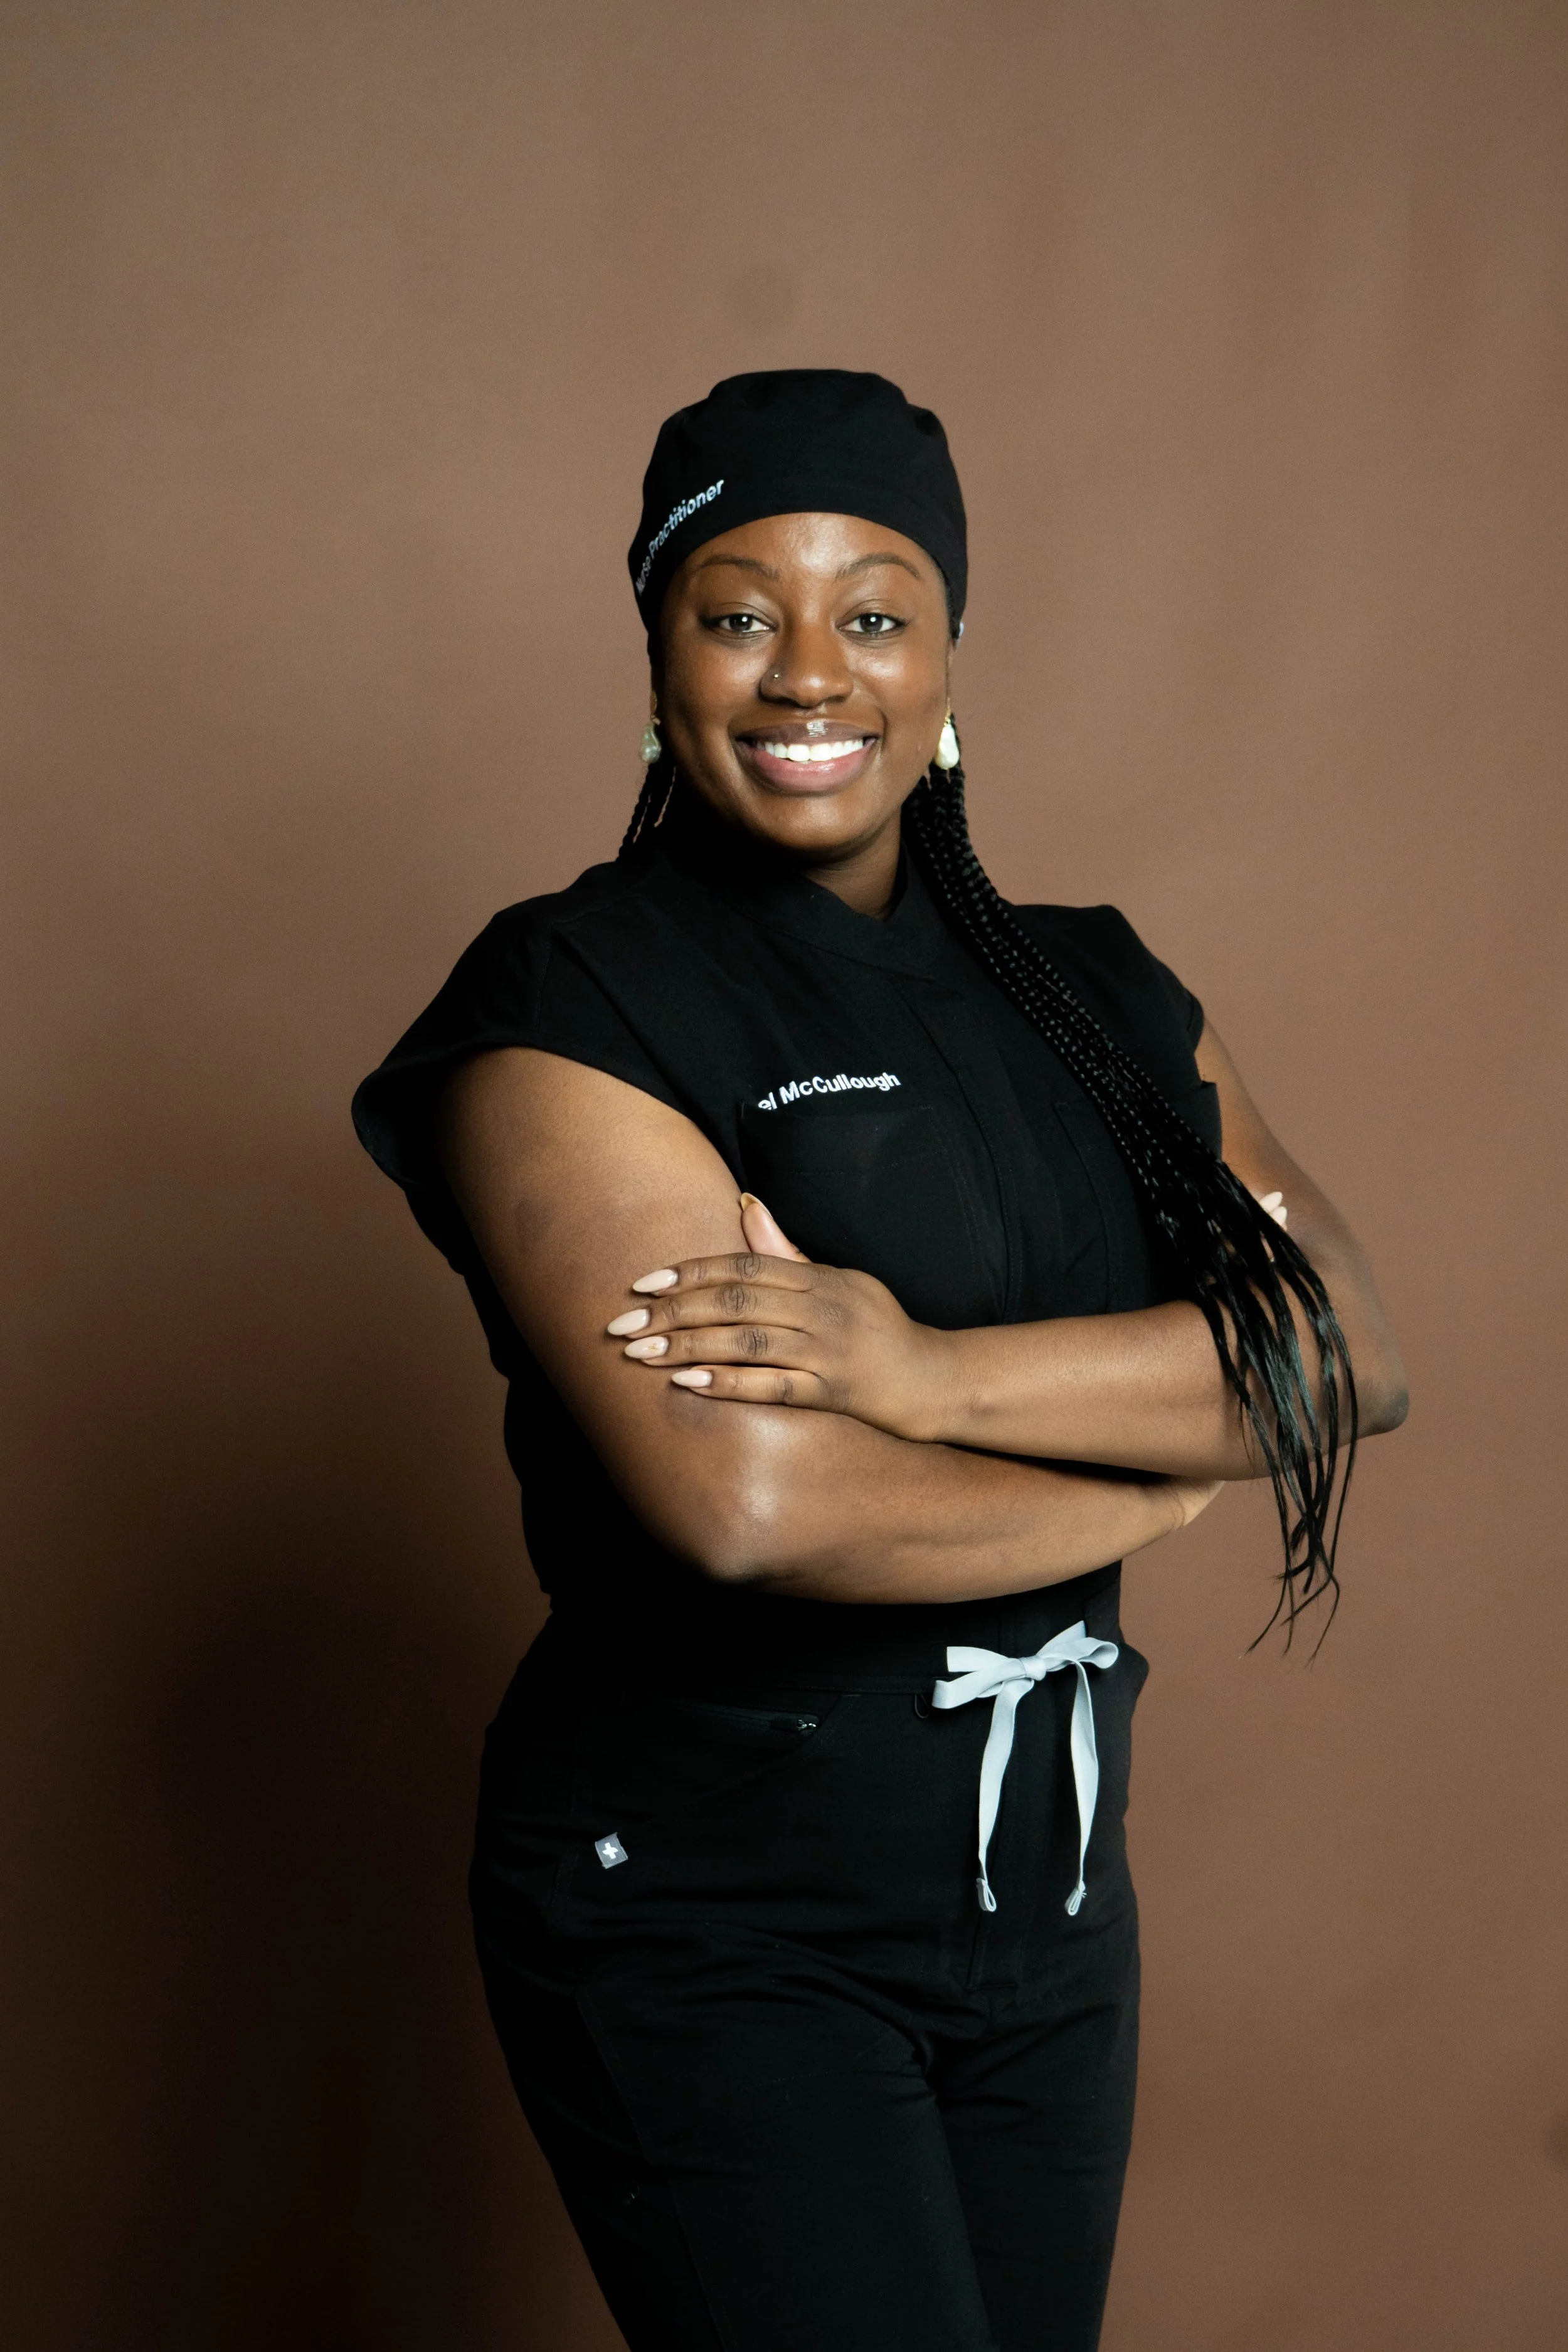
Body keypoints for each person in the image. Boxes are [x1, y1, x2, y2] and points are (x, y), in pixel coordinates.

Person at [352, 370, 1407, 2352]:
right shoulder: (569, 998)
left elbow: (1340, 1350)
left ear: (945, 655)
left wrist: (914, 1376)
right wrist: (1161, 1454)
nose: (803, 673)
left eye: (873, 609)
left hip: (1042, 1900)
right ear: (659, 650)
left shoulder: (1090, 986)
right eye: (736, 611)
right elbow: (746, 1507)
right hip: (707, 1911)